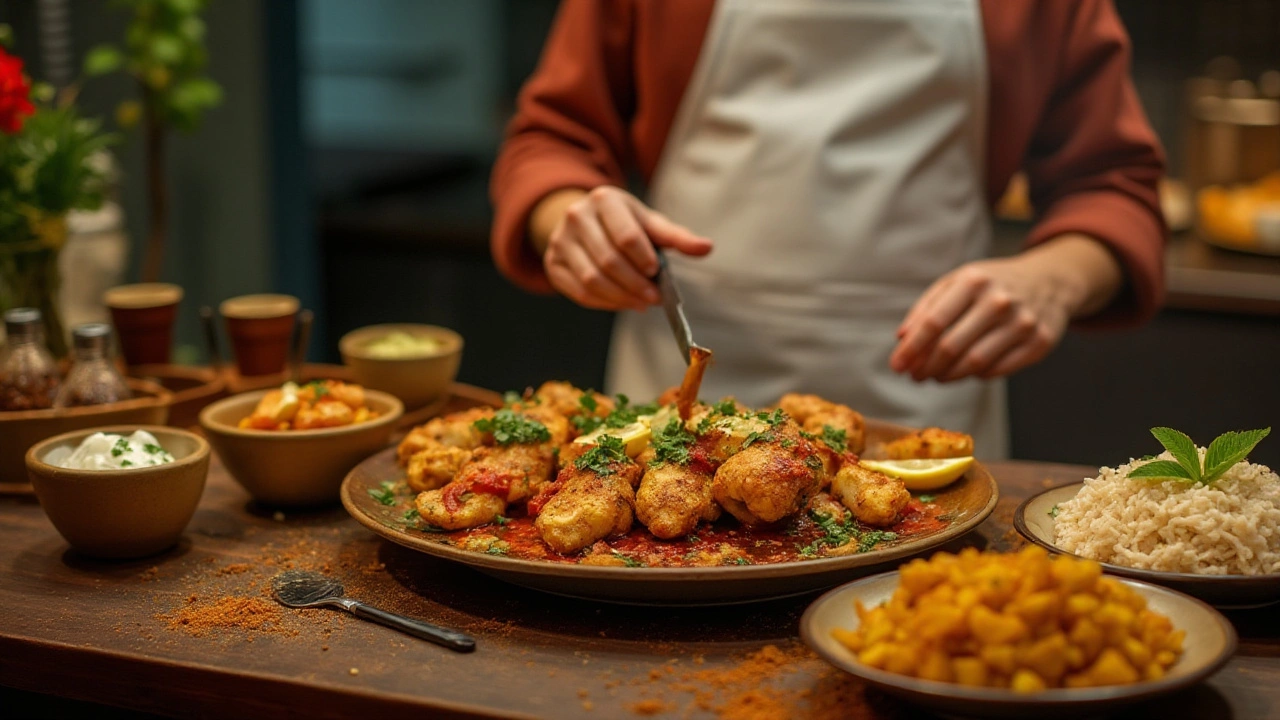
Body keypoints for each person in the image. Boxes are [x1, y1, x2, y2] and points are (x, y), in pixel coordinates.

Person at [489, 0, 1166, 458]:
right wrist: (568, 215)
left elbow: (1115, 187)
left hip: (922, 410)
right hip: (674, 389)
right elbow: (552, 140)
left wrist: (1053, 279)